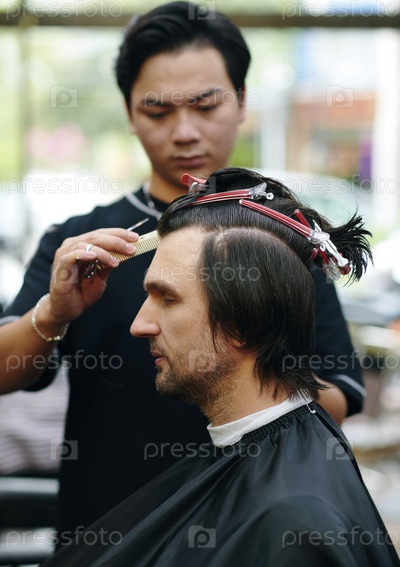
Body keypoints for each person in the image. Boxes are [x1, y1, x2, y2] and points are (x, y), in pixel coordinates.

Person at [0, 0, 364, 540]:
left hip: (247, 526)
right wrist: (54, 313)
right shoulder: (81, 245)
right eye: (157, 111)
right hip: (107, 532)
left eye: (205, 105)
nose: (185, 131)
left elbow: (337, 397)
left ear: (241, 101)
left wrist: (240, 364)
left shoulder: (280, 238)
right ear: (129, 114)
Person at [40, 168, 399, 566]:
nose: (139, 325)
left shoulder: (292, 524)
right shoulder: (268, 472)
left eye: (167, 298)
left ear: (245, 321)